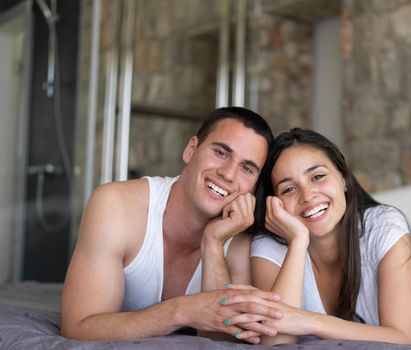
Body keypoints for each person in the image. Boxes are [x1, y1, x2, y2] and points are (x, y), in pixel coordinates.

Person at [61, 107, 284, 343]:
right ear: (190, 150)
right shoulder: (116, 205)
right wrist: (182, 311)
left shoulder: (242, 237)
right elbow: (78, 326)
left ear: (254, 186)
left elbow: (224, 341)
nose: (228, 174)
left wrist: (213, 243)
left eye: (247, 168)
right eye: (220, 152)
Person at [245, 128, 411, 345]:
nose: (307, 196)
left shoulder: (383, 227)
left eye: (317, 177)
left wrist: (311, 322)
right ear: (274, 203)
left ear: (343, 178)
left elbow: (403, 338)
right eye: (288, 189)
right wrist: (298, 242)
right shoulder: (269, 245)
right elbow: (277, 342)